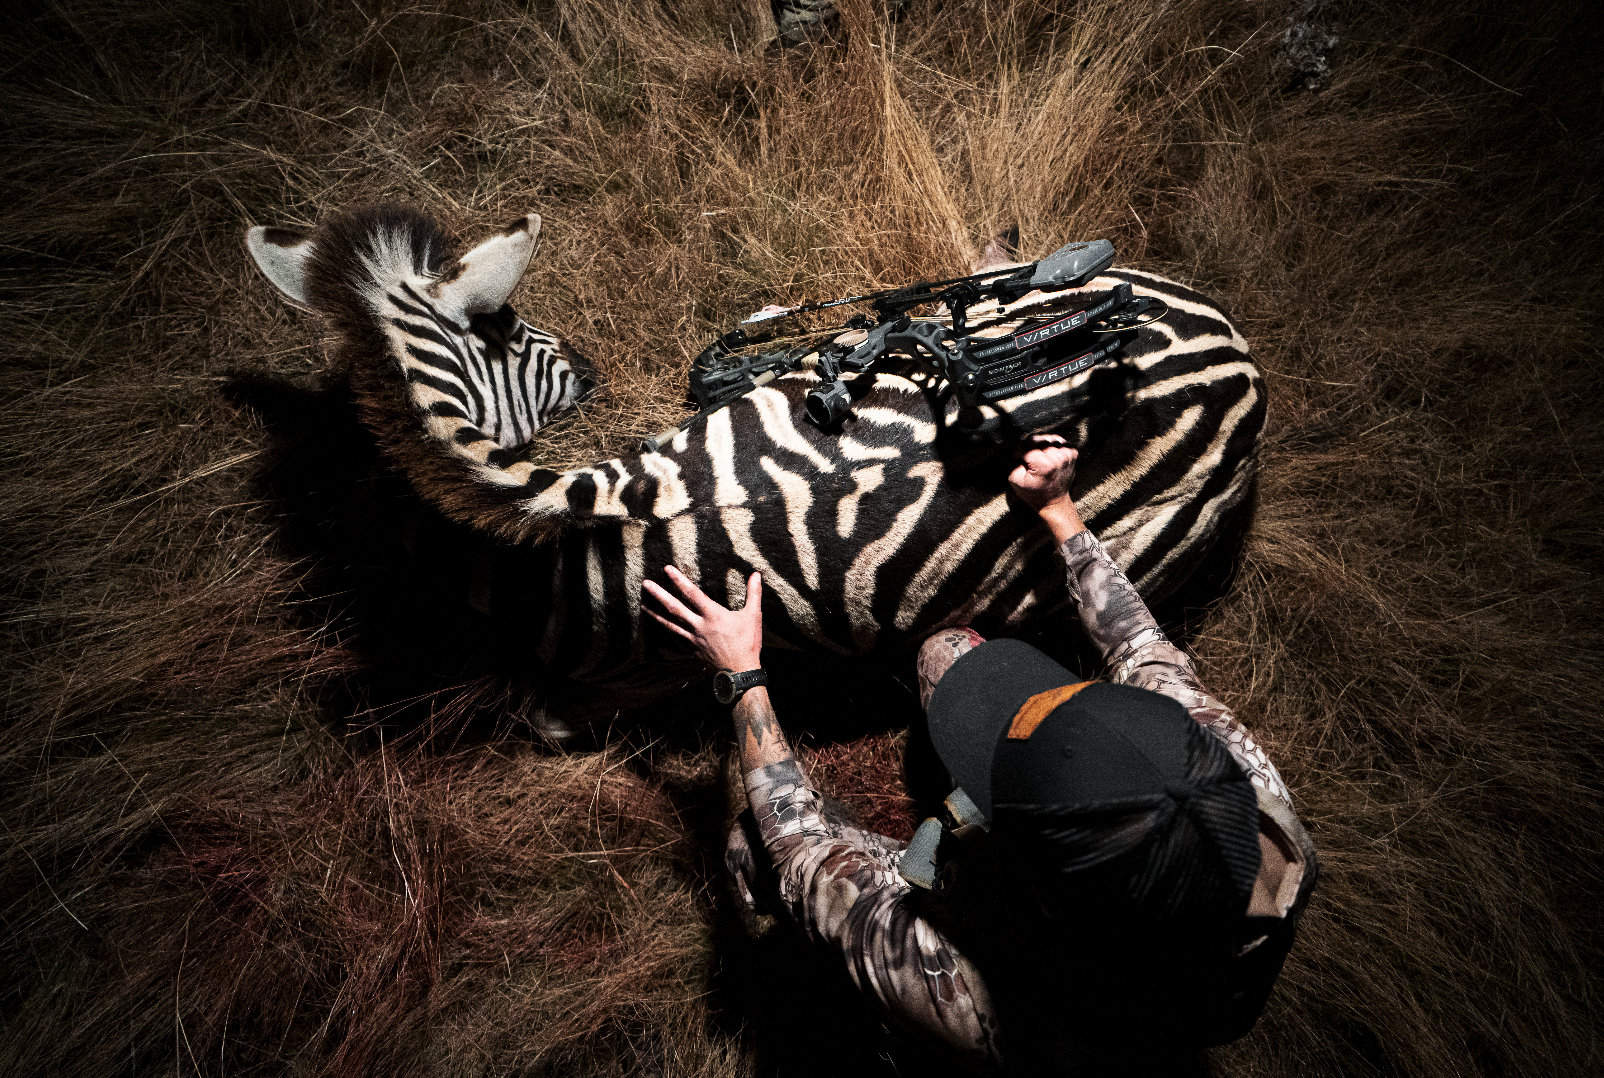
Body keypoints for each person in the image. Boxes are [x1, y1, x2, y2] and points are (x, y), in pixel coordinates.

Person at [643, 433, 1317, 1073]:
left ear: (1034, 876)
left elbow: (799, 854)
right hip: (1091, 916)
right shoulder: (1235, 785)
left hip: (1031, 964)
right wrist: (1058, 509)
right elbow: (1140, 648)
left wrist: (742, 677)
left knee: (754, 848)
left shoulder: (976, 1005)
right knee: (951, 655)